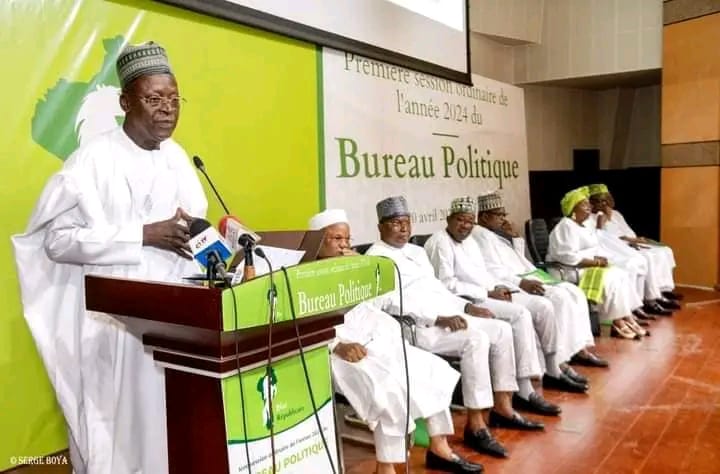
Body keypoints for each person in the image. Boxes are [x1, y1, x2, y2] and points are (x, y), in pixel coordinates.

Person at [11, 42, 207, 474]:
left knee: (167, 431)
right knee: (119, 434)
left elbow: (192, 224)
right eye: (154, 99)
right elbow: (56, 241)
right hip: (117, 322)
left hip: (176, 319)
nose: (167, 109)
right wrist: (142, 235)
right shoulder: (91, 161)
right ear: (125, 103)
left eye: (174, 99)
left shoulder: (178, 158)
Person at [309, 209, 483, 473]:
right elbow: (307, 326)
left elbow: (371, 307)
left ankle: (440, 448)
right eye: (336, 239)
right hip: (335, 351)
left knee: (429, 369)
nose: (344, 245)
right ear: (317, 242)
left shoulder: (352, 267)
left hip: (374, 341)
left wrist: (363, 270)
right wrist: (338, 346)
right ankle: (386, 466)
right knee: (389, 389)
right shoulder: (305, 276)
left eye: (347, 239)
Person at [365, 196, 545, 436]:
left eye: (407, 222)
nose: (404, 228)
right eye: (396, 223)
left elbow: (439, 290)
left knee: (501, 329)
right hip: (417, 328)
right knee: (476, 339)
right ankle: (476, 424)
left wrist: (466, 307)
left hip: (448, 316)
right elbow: (388, 303)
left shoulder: (417, 252)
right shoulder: (375, 259)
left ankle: (503, 407)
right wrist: (438, 318)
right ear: (380, 227)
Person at [424, 197, 588, 408]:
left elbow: (484, 273)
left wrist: (499, 288)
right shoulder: (440, 242)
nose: (465, 225)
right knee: (520, 315)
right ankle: (524, 389)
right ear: (449, 219)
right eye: (460, 220)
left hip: (487, 293)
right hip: (465, 301)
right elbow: (447, 285)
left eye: (469, 221)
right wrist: (487, 292)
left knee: (542, 306)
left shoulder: (470, 241)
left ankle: (553, 368)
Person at [470, 193, 607, 369]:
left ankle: (579, 349)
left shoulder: (493, 234)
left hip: (528, 275)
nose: (503, 219)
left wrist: (514, 237)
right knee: (560, 298)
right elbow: (495, 270)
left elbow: (518, 258)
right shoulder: (481, 235)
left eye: (504, 214)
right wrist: (521, 283)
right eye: (499, 215)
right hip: (515, 281)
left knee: (575, 292)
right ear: (484, 217)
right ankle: (560, 357)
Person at [546, 187, 648, 339]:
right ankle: (617, 321)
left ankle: (627, 316)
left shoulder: (584, 226)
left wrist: (600, 259)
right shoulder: (566, 226)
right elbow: (567, 256)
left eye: (588, 203)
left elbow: (594, 247)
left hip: (586, 266)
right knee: (610, 278)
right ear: (572, 209)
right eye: (583, 204)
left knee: (621, 274)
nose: (589, 206)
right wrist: (595, 263)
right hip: (569, 269)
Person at [588, 183, 681, 307]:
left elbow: (628, 232)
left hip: (630, 244)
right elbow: (600, 239)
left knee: (664, 251)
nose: (603, 204)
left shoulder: (616, 214)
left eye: (605, 200)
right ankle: (651, 298)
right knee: (647, 257)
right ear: (592, 203)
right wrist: (601, 224)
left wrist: (635, 240)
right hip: (616, 249)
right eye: (599, 201)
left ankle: (664, 290)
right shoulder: (591, 218)